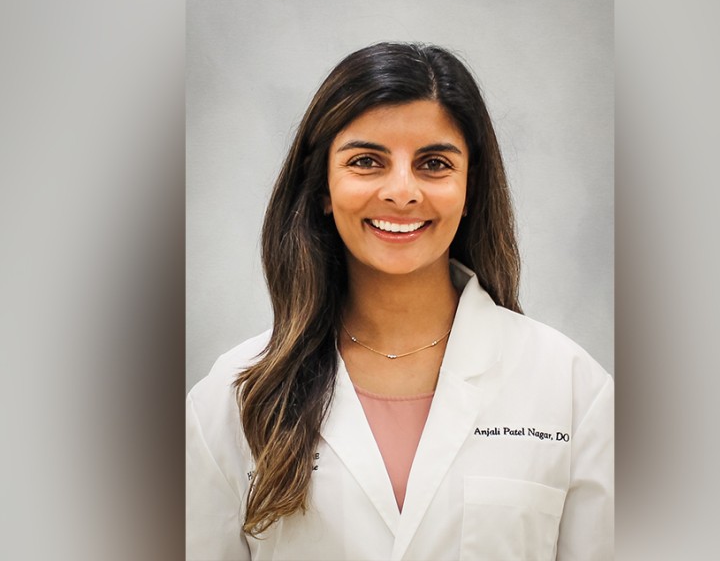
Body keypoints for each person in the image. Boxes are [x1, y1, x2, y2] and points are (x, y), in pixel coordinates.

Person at [186, 42, 613, 561]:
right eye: (367, 161)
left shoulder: (572, 389)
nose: (402, 191)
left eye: (434, 163)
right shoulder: (234, 399)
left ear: (469, 187)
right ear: (322, 185)